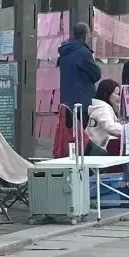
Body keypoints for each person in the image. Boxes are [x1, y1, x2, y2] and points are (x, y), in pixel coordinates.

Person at [54, 23, 102, 157]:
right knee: (82, 139)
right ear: (86, 36)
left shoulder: (64, 52)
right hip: (82, 102)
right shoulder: (83, 53)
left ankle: (72, 162)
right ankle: (82, 165)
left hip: (67, 103)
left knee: (71, 137)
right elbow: (96, 74)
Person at [85, 80, 124, 156]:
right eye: (117, 94)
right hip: (96, 151)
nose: (119, 98)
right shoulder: (103, 109)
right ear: (106, 94)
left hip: (93, 148)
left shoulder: (100, 107)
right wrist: (127, 131)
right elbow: (111, 127)